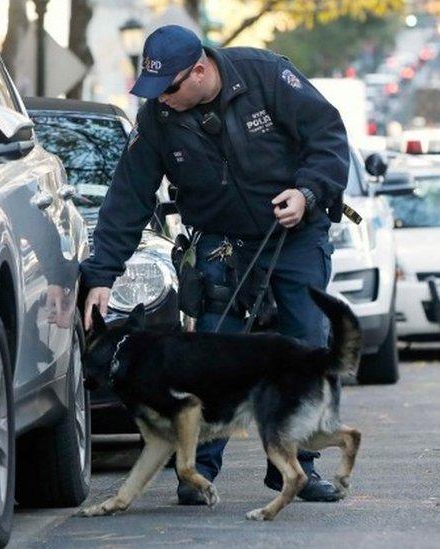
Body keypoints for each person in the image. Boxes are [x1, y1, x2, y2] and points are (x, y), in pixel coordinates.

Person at [80, 25, 350, 504]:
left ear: (200, 71)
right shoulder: (159, 118)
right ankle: (198, 473)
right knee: (210, 351)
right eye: (154, 91)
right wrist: (102, 274)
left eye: (170, 88)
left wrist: (307, 192)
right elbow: (128, 197)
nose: (162, 100)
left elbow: (327, 137)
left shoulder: (265, 76)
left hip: (292, 232)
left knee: (306, 344)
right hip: (221, 241)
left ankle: (296, 467)